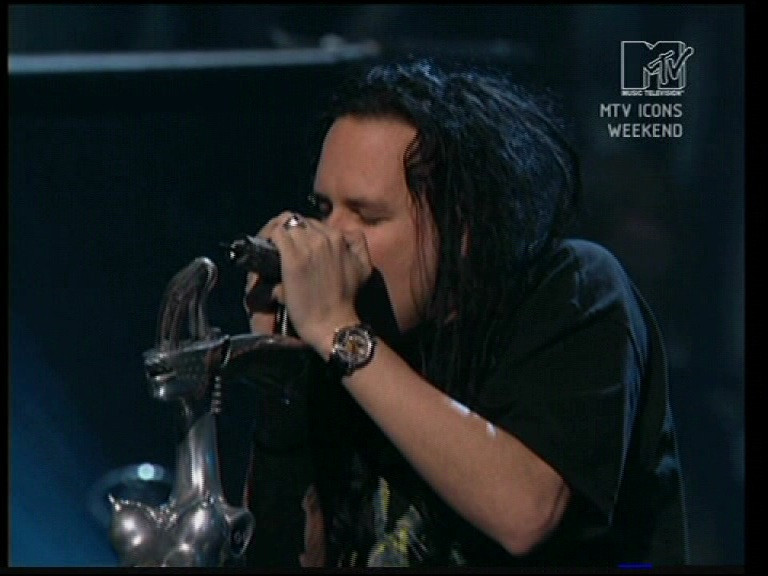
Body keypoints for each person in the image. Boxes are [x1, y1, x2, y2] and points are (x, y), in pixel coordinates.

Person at [239, 58, 689, 568]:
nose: (329, 237)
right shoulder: (342, 339)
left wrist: (340, 332)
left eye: (366, 215)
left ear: (461, 231)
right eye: (324, 208)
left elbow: (524, 513)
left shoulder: (574, 288)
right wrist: (284, 376)